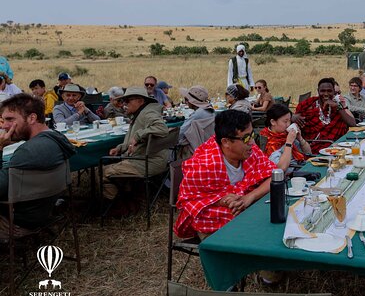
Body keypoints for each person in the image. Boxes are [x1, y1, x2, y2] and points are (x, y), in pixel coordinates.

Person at [174, 110, 289, 239]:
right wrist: (223, 201)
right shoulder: (204, 166)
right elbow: (191, 200)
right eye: (246, 137)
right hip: (213, 219)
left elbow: (275, 177)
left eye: (252, 135)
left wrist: (250, 197)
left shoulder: (249, 151)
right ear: (226, 142)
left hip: (243, 208)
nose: (251, 142)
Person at [0, 94, 76, 233]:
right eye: (3, 120)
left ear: (32, 118)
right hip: (43, 211)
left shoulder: (28, 152)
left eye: (10, 119)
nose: (4, 126)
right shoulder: (56, 139)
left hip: (16, 221)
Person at [100, 87, 169, 215]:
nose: (124, 104)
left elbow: (162, 128)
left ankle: (117, 207)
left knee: (103, 172)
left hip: (147, 162)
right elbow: (132, 138)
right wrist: (120, 148)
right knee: (117, 167)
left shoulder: (147, 114)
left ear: (140, 101)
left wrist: (138, 135)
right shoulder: (141, 113)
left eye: (128, 101)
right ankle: (131, 201)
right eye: (123, 101)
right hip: (152, 159)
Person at [293, 78, 357, 153]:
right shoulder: (308, 105)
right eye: (323, 91)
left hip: (335, 146)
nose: (326, 94)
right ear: (318, 91)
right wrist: (292, 116)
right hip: (311, 147)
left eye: (329, 91)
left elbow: (353, 124)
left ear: (334, 92)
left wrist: (338, 107)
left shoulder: (337, 106)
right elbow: (291, 124)